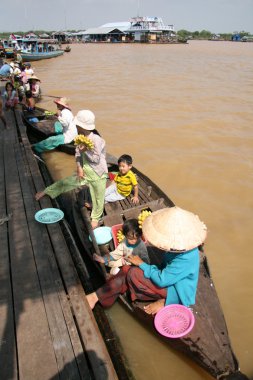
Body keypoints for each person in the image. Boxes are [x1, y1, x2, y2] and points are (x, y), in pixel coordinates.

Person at [86, 206, 207, 314]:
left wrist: (142, 264)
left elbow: (162, 280)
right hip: (168, 278)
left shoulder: (185, 258)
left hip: (177, 292)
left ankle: (167, 302)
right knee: (127, 269)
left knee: (133, 273)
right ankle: (96, 296)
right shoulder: (178, 247)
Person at [35, 110, 108, 229]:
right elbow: (78, 154)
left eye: (77, 125)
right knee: (66, 182)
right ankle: (47, 191)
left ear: (81, 126)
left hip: (98, 174)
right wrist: (79, 167)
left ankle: (95, 218)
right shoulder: (80, 138)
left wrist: (85, 151)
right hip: (85, 171)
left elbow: (95, 159)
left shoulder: (97, 140)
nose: (76, 126)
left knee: (98, 197)